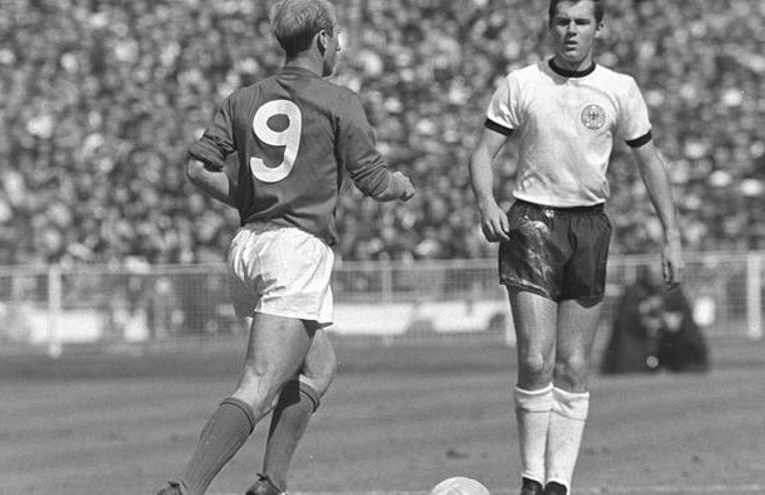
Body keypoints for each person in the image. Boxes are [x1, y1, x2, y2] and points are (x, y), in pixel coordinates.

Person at [156, 1, 415, 494]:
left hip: (248, 245)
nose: (338, 46)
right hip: (294, 249)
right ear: (322, 39)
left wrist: (252, 196)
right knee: (258, 383)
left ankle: (270, 484)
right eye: (336, 38)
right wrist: (401, 185)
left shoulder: (243, 98)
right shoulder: (340, 101)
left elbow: (197, 167)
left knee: (319, 365)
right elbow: (374, 181)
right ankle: (183, 489)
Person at [467, 1, 684, 494]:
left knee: (573, 364)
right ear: (550, 27)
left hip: (588, 227)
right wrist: (485, 202)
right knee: (536, 360)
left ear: (599, 29)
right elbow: (483, 151)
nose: (571, 30)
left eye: (581, 21)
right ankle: (530, 478)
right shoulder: (522, 83)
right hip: (531, 223)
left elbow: (650, 162)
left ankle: (558, 483)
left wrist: (671, 234)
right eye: (562, 21)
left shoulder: (619, 89)